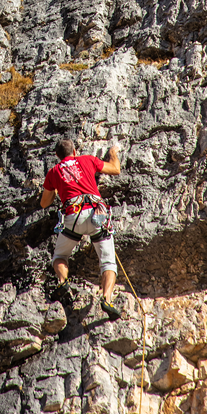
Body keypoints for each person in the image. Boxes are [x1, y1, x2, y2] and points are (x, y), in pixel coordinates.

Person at [40, 137, 123, 319]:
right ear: (75, 151)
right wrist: (113, 153)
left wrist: (55, 189)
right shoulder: (87, 159)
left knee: (60, 257)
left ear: (57, 156)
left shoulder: (54, 172)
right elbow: (115, 169)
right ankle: (107, 299)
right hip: (96, 212)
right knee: (108, 263)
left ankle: (63, 281)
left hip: (73, 216)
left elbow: (44, 203)